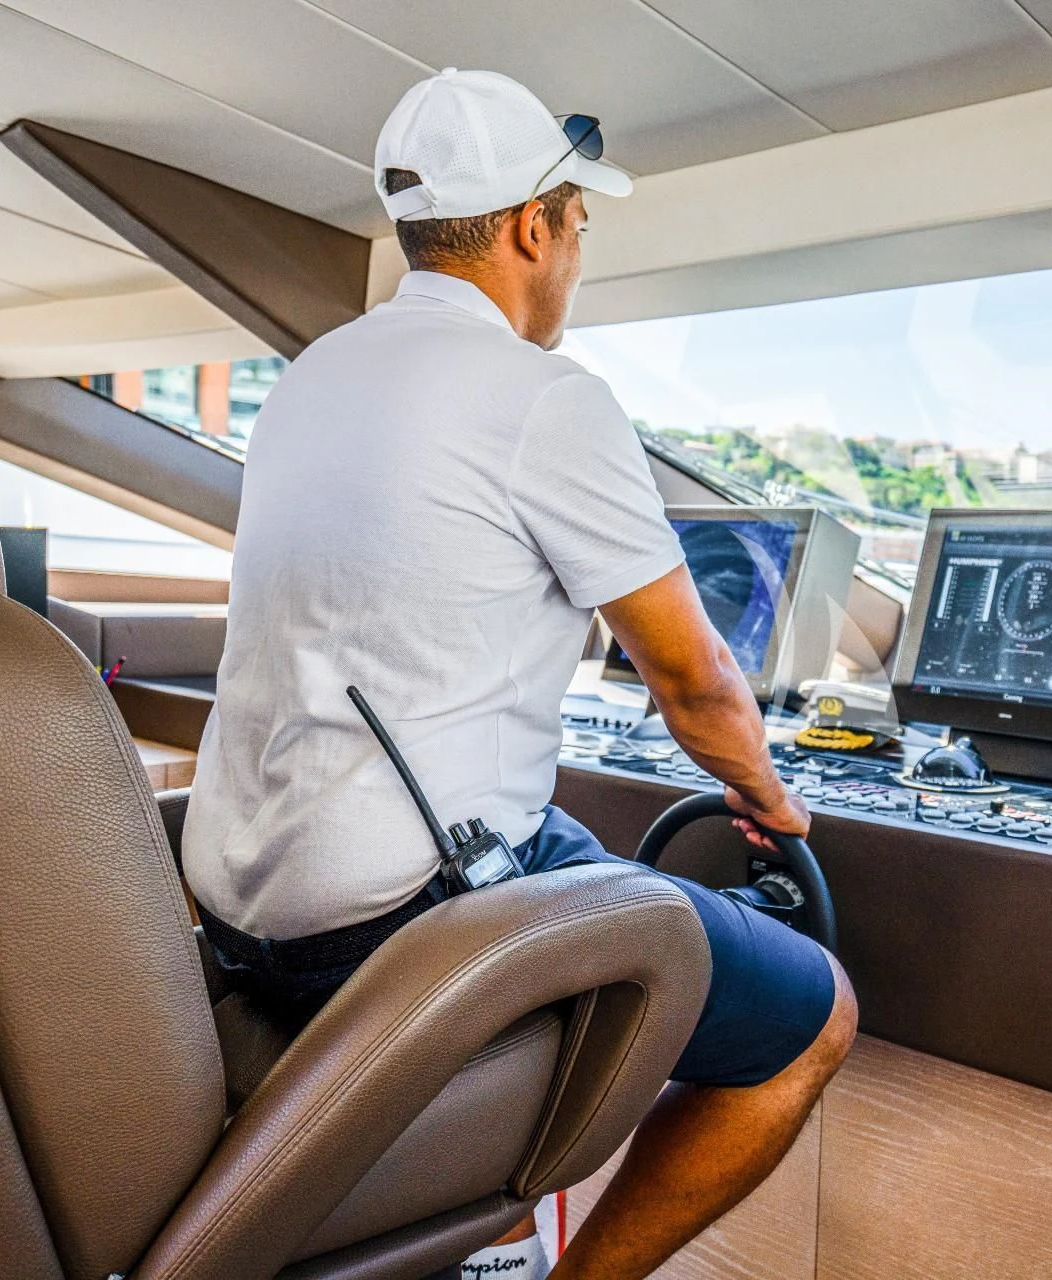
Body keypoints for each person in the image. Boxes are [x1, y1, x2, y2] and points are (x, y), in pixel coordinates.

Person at [181, 68, 856, 1279]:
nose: (578, 252)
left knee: (576, 850)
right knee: (814, 1013)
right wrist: (769, 799)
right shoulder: (546, 397)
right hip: (395, 919)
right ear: (531, 225)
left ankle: (492, 1225)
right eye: (579, 221)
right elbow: (695, 682)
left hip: (236, 909)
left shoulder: (307, 382)